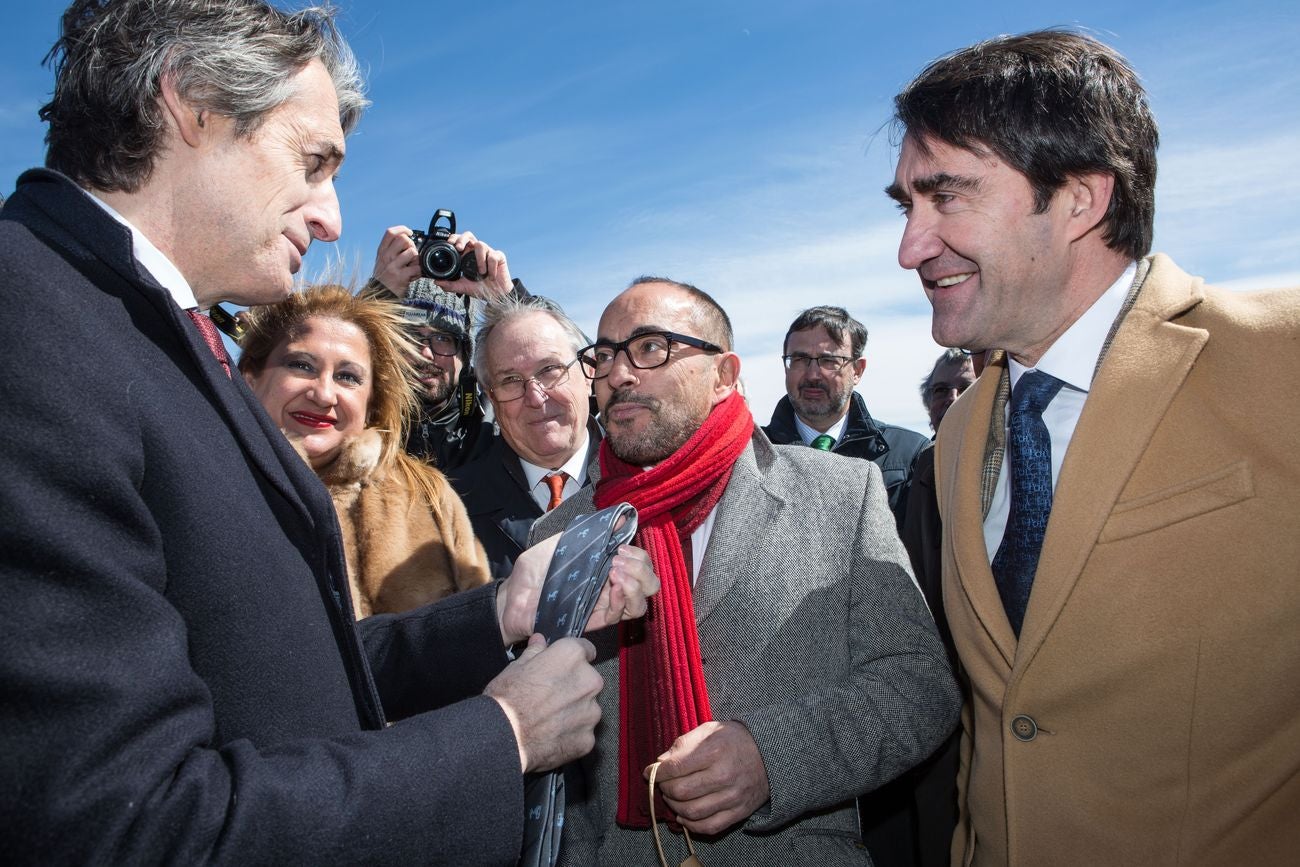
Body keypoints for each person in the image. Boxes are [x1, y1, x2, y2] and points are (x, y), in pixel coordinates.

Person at [0, 2, 656, 862]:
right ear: (192, 104)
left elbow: (275, 672)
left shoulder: (148, 330)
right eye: (313, 163)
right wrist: (502, 737)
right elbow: (122, 824)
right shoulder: (33, 324)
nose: (332, 216)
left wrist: (498, 610)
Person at [887, 29, 1300, 864]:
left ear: (1081, 197)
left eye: (946, 197)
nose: (910, 247)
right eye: (906, 206)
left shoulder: (1282, 357)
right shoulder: (961, 433)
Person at [532, 277, 960, 866]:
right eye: (603, 355)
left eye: (651, 348)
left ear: (725, 375)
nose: (619, 374)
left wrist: (773, 757)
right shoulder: (560, 536)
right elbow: (552, 767)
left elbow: (920, 688)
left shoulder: (840, 494)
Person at [238, 283, 491, 616]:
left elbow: (478, 632)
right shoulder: (204, 484)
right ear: (250, 377)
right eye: (301, 365)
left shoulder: (430, 496)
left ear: (373, 401)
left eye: (348, 376)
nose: (324, 394)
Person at [449, 295, 601, 578]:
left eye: (549, 370)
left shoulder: (655, 477)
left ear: (588, 371)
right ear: (491, 396)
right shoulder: (452, 508)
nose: (535, 396)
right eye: (510, 380)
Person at [367, 225, 528, 471]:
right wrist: (374, 301)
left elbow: (566, 372)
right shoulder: (362, 426)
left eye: (443, 339)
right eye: (409, 337)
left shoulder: (504, 424)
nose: (426, 353)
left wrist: (510, 298)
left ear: (465, 353)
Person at [764, 305, 927, 517]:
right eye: (799, 360)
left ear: (857, 371)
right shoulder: (752, 455)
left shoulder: (909, 455)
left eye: (829, 361)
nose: (813, 374)